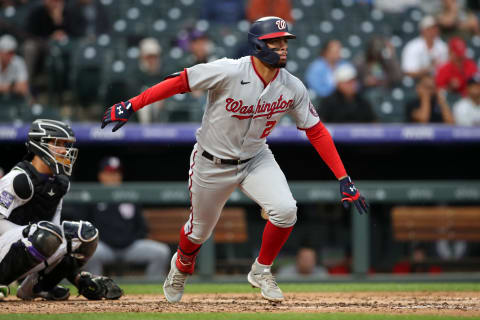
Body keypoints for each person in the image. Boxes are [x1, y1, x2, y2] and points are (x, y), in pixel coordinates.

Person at [101, 16, 368, 303]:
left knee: (286, 210)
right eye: (274, 42)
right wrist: (132, 104)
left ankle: (261, 269)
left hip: (255, 158)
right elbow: (179, 82)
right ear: (257, 45)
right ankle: (181, 266)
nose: (283, 47)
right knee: (198, 232)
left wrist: (344, 178)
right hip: (211, 162)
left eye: (285, 42)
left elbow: (316, 131)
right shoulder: (228, 70)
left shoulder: (292, 86)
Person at [0, 119, 122, 301]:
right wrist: (28, 233)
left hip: (31, 244)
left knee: (86, 235)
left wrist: (77, 278)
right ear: (40, 144)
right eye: (58, 144)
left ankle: (37, 287)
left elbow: (55, 238)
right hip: (4, 248)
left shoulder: (61, 183)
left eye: (66, 145)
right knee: (46, 233)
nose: (65, 150)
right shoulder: (19, 179)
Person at [83, 156, 170, 280]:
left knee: (161, 252)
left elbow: (141, 226)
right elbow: (86, 226)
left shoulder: (129, 195)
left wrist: (132, 238)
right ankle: (96, 287)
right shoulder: (92, 197)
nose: (113, 177)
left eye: (116, 173)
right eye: (109, 173)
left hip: (130, 247)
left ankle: (153, 291)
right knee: (89, 254)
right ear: (101, 175)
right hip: (104, 247)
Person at [0, 34, 29, 100]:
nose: (11, 56)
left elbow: (23, 88)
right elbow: (18, 87)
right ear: (0, 52)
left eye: (13, 52)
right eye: (8, 53)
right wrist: (12, 87)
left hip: (13, 99)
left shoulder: (18, 62)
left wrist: (4, 88)